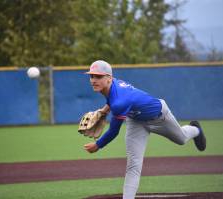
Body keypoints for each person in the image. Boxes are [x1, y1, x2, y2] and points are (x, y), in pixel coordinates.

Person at [83, 60, 206, 199]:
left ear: (109, 78)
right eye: (91, 76)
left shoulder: (119, 102)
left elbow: (113, 131)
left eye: (98, 76)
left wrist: (98, 145)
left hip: (160, 117)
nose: (93, 80)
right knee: (133, 166)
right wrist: (104, 110)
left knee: (182, 139)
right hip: (135, 121)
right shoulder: (113, 85)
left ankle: (195, 130)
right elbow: (113, 98)